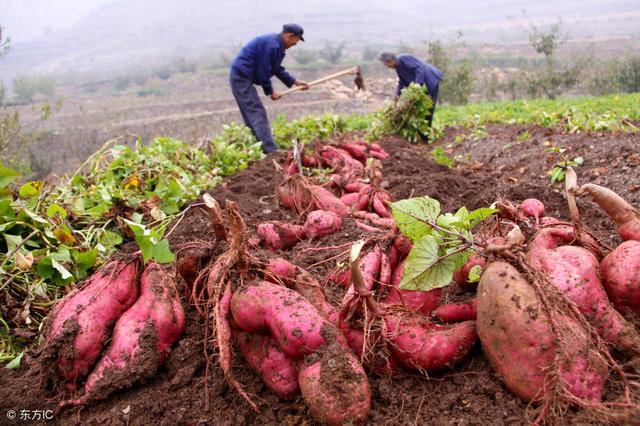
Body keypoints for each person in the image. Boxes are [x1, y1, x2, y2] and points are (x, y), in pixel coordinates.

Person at [230, 24, 309, 153]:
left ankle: (260, 147)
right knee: (256, 112)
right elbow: (263, 72)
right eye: (296, 41)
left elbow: (276, 68)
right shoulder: (271, 45)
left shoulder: (276, 46)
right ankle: (271, 150)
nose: (295, 44)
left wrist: (295, 82)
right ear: (290, 36)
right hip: (241, 76)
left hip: (243, 76)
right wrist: (271, 92)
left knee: (252, 113)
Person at [378, 52, 443, 140]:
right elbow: (402, 82)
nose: (387, 66)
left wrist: (417, 84)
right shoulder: (398, 67)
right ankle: (421, 134)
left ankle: (425, 136)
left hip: (430, 80)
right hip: (422, 86)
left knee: (428, 108)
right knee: (418, 110)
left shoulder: (404, 58)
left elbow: (419, 68)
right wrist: (397, 97)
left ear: (390, 60)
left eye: (386, 64)